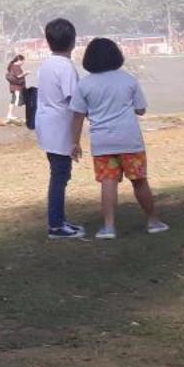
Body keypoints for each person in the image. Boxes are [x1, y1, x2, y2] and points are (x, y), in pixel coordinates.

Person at [71, 37, 168, 241]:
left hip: (102, 142)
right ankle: (153, 221)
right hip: (129, 140)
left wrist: (75, 142)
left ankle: (108, 227)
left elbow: (78, 115)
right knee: (139, 181)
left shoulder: (84, 84)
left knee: (108, 182)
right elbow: (140, 109)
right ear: (117, 56)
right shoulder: (128, 80)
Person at [33, 18, 85, 239]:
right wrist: (76, 140)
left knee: (60, 174)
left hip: (46, 124)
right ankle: (55, 226)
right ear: (72, 42)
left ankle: (60, 220)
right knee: (60, 176)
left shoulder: (46, 64)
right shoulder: (66, 68)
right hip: (59, 127)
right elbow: (76, 102)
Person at [4, 53, 27, 124]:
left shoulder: (12, 66)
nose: (23, 63)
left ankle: (10, 114)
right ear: (19, 60)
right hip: (17, 87)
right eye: (23, 61)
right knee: (15, 101)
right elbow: (19, 76)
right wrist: (26, 73)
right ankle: (10, 115)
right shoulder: (16, 67)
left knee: (13, 100)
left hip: (14, 87)